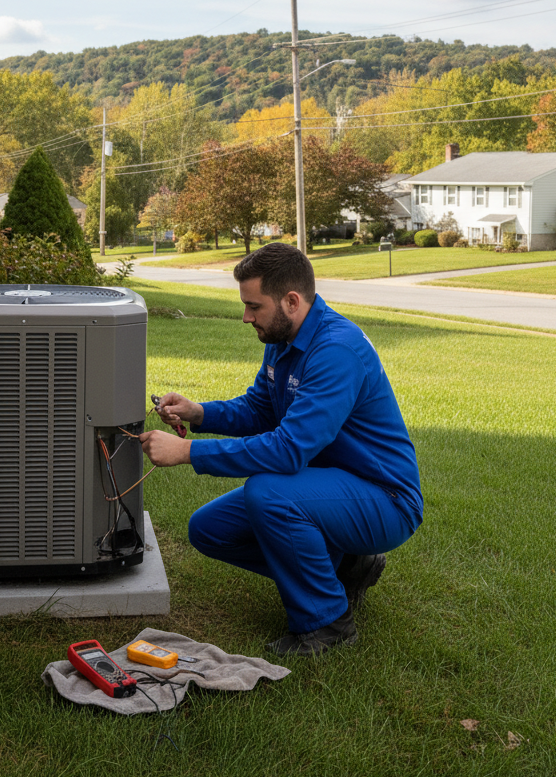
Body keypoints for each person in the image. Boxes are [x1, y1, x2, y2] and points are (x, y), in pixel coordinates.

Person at [138, 242, 423, 656]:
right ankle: (347, 566)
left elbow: (288, 450)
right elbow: (260, 409)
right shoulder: (284, 337)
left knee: (268, 494)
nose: (246, 316)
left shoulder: (336, 351)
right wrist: (199, 413)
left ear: (291, 301)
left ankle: (328, 624)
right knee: (209, 530)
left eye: (254, 306)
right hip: (327, 487)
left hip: (384, 498)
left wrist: (187, 453)